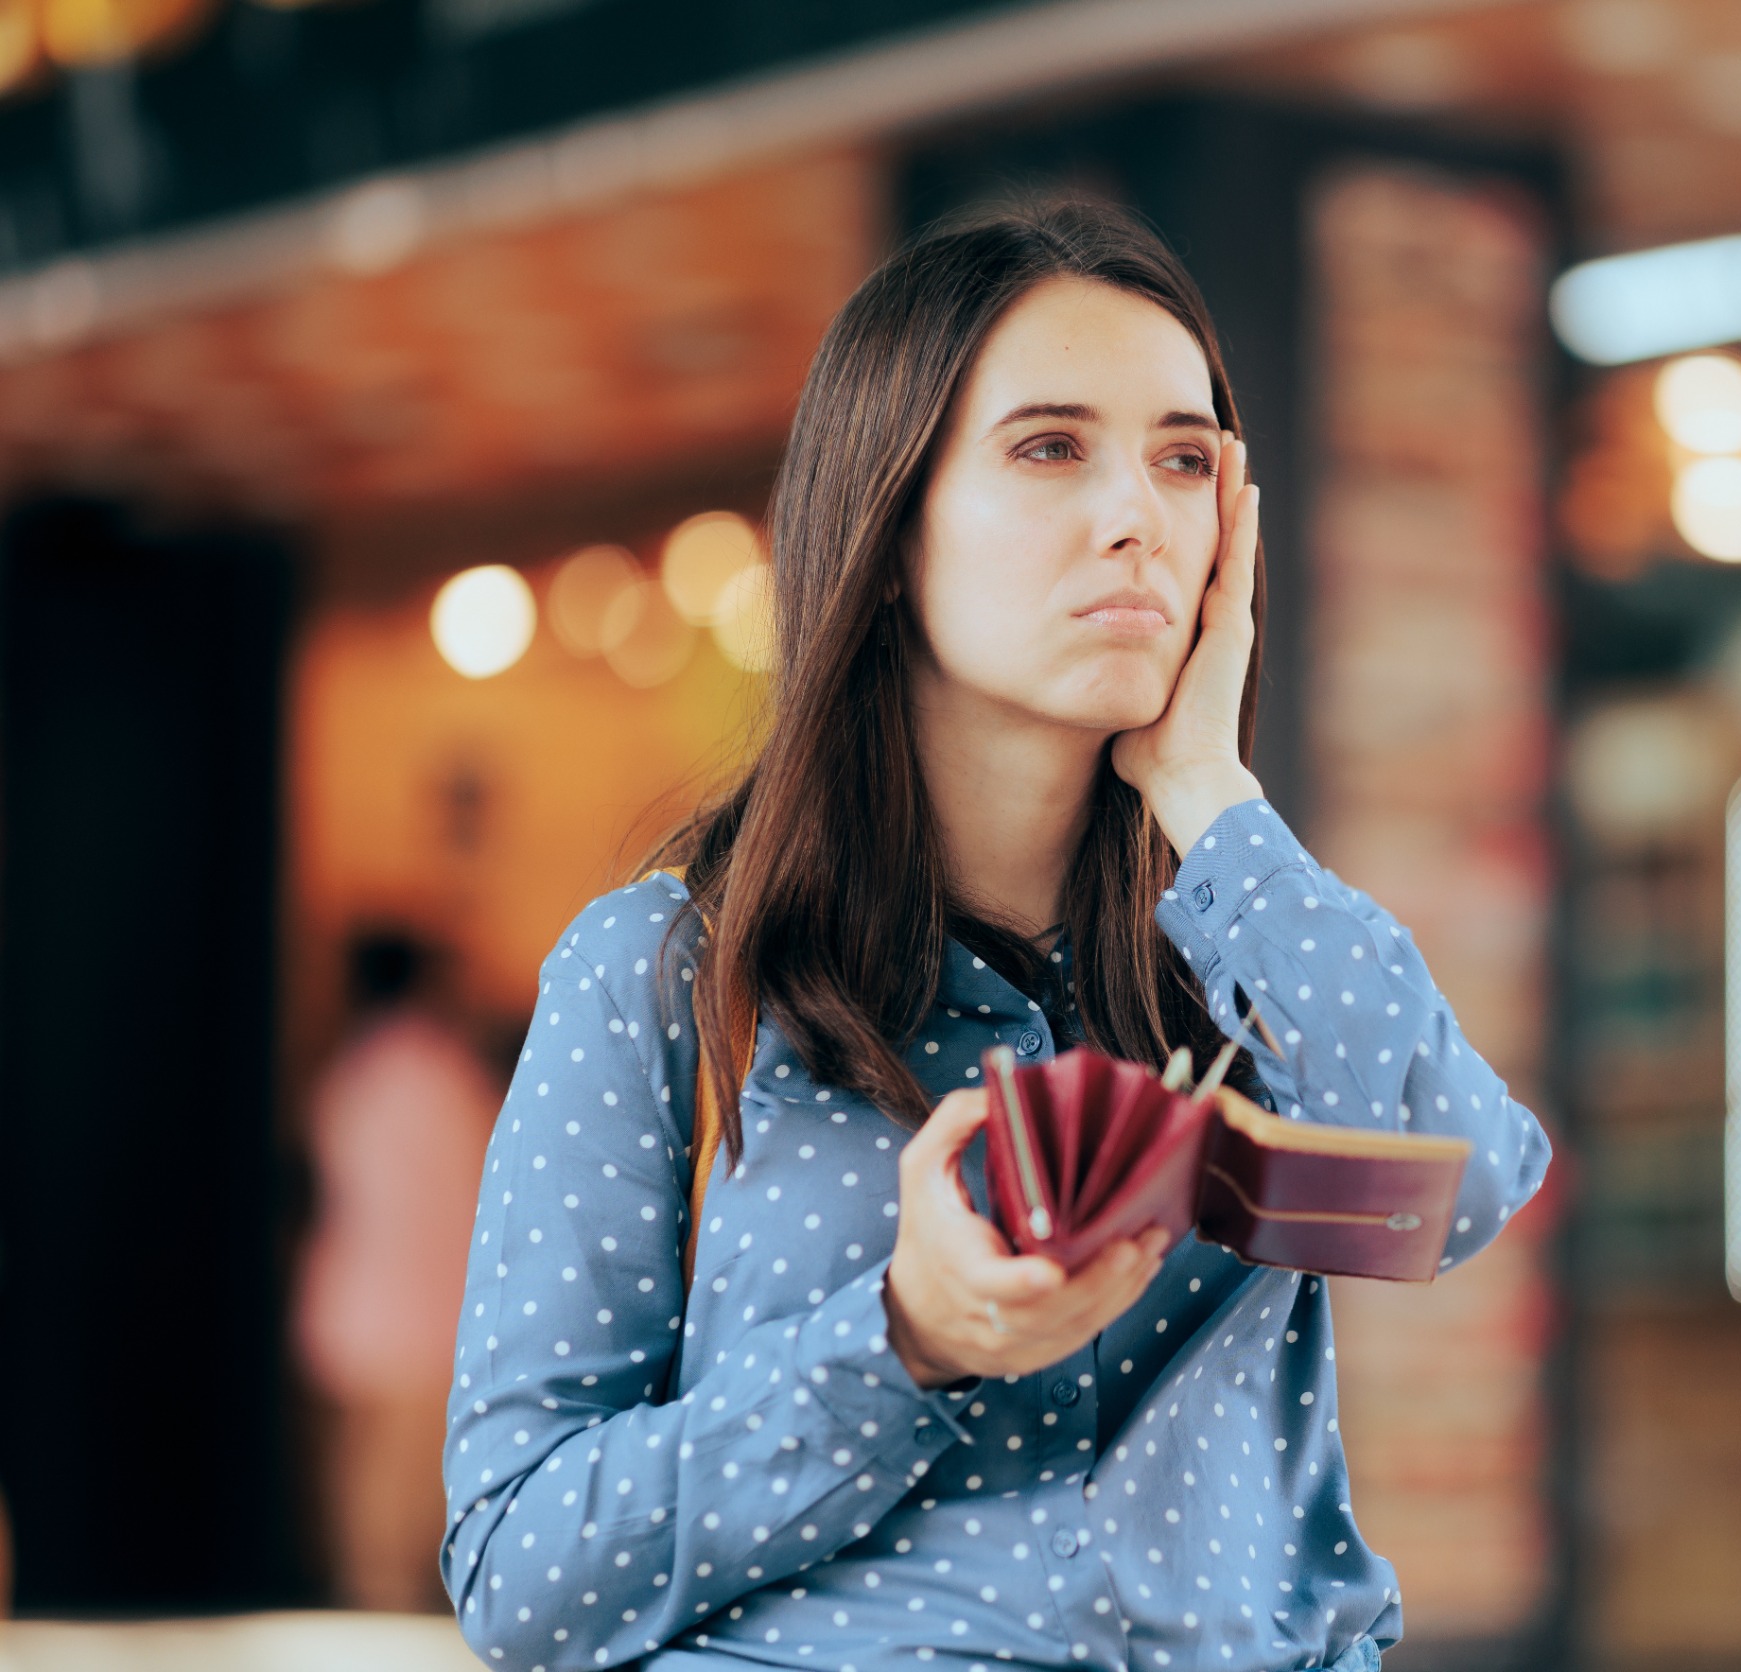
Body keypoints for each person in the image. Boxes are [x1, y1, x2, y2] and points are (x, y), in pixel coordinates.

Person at [441, 201, 1552, 1672]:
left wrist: (1212, 794)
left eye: (1183, 459)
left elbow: (1456, 1194)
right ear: (888, 532)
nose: (1136, 518)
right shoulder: (666, 980)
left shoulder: (1240, 966)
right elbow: (520, 1575)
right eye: (1050, 448)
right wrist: (905, 1339)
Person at [297, 929, 498, 1613]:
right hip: (420, 1298)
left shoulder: (352, 1069)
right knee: (408, 1470)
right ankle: (387, 1599)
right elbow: (480, 1182)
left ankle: (369, 1590)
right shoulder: (433, 1069)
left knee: (364, 1460)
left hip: (366, 1292)